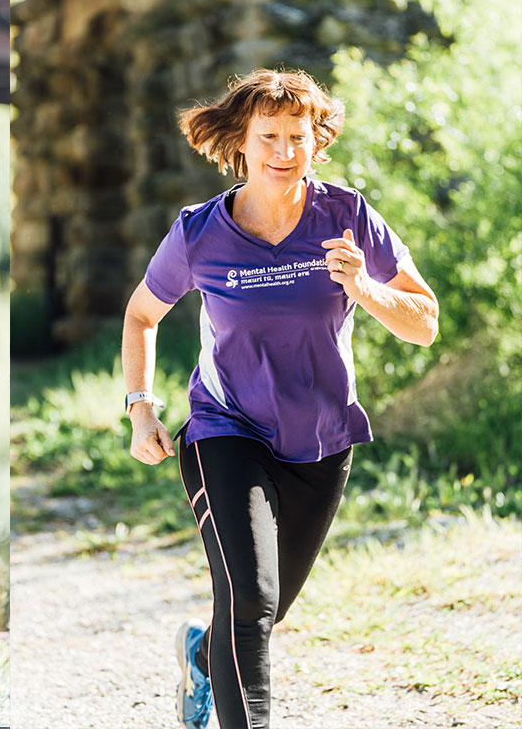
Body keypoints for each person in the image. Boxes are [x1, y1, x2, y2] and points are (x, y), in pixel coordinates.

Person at [121, 69, 438, 729]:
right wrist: (141, 406)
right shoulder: (200, 233)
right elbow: (141, 315)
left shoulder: (346, 216)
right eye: (269, 136)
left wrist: (366, 290)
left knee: (262, 610)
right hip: (225, 431)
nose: (285, 151)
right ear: (240, 141)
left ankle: (201, 657)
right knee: (252, 600)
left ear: (317, 142)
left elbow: (425, 322)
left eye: (299, 136)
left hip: (322, 443)